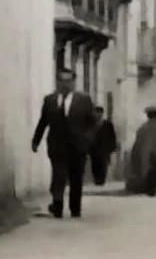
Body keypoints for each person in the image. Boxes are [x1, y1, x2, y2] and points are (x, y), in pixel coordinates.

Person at [31, 67, 99, 219]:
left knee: (76, 178)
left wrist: (88, 139)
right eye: (62, 81)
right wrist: (36, 140)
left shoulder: (84, 100)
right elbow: (43, 122)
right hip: (57, 146)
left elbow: (93, 123)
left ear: (74, 82)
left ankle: (75, 208)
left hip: (78, 146)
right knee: (58, 176)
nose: (65, 84)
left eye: (68, 81)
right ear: (57, 82)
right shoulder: (49, 101)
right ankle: (58, 205)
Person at [89, 107, 119, 188]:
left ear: (102, 114)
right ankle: (96, 179)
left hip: (104, 148)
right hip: (93, 148)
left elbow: (112, 136)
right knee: (94, 163)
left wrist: (112, 147)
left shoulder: (108, 124)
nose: (98, 115)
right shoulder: (91, 124)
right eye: (96, 113)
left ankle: (101, 180)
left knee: (103, 163)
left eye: (99, 113)